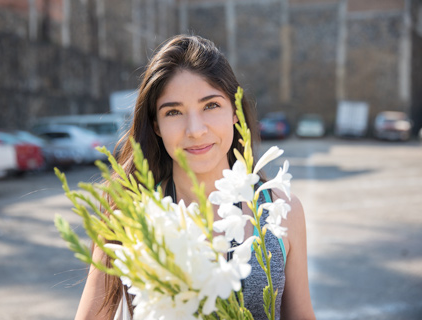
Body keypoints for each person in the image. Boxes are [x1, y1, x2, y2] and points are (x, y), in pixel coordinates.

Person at [75, 34, 315, 320]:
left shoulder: (280, 210)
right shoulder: (130, 213)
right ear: (157, 126)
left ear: (235, 112)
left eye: (210, 105)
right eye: (174, 112)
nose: (195, 129)